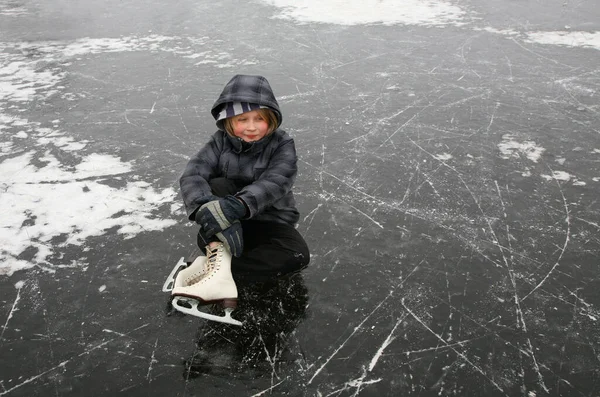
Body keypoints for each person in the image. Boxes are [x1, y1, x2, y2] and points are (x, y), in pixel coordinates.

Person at [171, 74, 310, 318]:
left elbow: (277, 180)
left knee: (296, 256)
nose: (252, 126)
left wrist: (238, 205)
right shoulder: (218, 143)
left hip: (269, 218)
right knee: (217, 185)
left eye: (260, 119)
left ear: (272, 119)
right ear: (228, 121)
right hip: (223, 224)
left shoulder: (282, 144)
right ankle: (217, 260)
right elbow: (193, 174)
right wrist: (206, 208)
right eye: (242, 119)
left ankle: (214, 270)